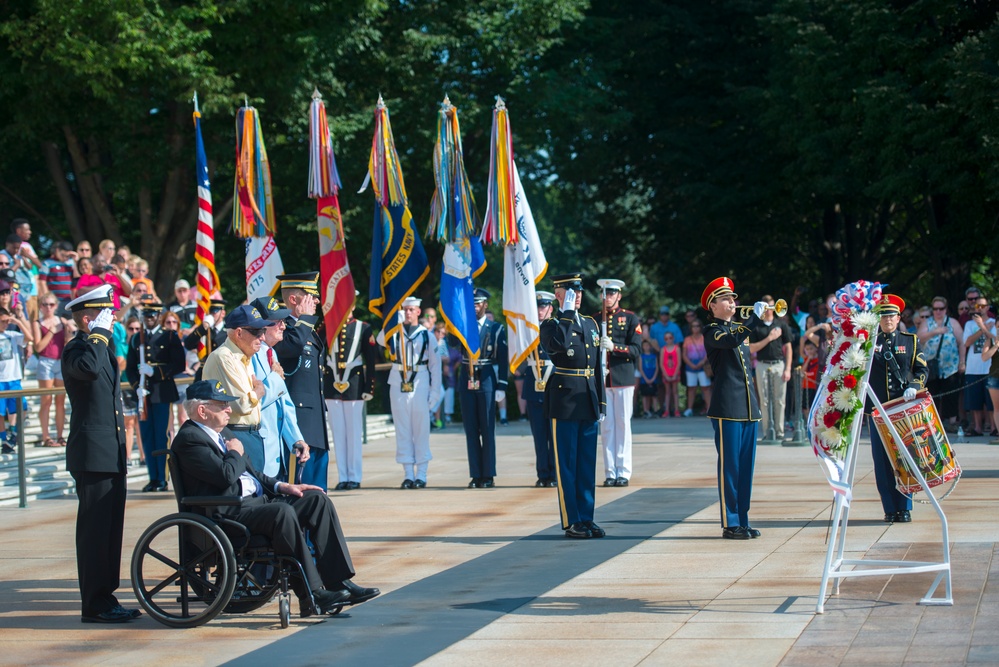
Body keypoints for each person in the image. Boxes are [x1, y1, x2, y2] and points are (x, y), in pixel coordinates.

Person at [171, 379, 379, 617]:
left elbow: (253, 473)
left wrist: (284, 486)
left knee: (315, 500)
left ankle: (338, 581)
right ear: (202, 410)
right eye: (223, 405)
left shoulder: (223, 432)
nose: (229, 409)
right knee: (282, 513)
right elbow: (225, 475)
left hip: (253, 506)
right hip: (227, 513)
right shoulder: (190, 439)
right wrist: (234, 453)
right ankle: (311, 593)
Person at [61, 284, 140, 623]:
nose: (112, 318)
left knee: (110, 530)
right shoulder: (77, 349)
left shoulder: (101, 349)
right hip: (91, 453)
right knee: (94, 532)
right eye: (105, 314)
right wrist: (98, 335)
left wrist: (102, 338)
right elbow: (88, 370)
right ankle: (93, 603)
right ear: (88, 318)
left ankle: (107, 597)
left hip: (111, 450)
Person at [540, 273, 605, 539]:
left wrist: (600, 401)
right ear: (558, 294)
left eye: (578, 291)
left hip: (587, 398)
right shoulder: (551, 325)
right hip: (564, 400)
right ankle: (572, 520)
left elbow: (597, 366)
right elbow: (558, 345)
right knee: (567, 463)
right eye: (570, 291)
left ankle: (587, 517)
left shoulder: (590, 323)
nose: (577, 295)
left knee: (586, 464)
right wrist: (566, 313)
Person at [701, 277, 765, 540]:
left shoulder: (738, 328)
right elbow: (729, 341)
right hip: (727, 408)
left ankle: (743, 519)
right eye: (726, 299)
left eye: (733, 298)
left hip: (748, 407)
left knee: (746, 468)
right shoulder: (712, 331)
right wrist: (753, 320)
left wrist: (760, 320)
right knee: (731, 468)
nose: (732, 302)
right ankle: (731, 522)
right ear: (713, 306)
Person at [866, 294, 927, 523]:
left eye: (890, 315)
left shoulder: (909, 340)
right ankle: (889, 507)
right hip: (878, 410)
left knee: (905, 456)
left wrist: (914, 386)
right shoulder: (869, 343)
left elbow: (922, 370)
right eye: (882, 315)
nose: (887, 319)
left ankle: (905, 506)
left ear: (899, 317)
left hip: (902, 410)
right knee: (882, 461)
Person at [271, 273, 331, 489]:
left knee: (317, 493)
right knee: (299, 491)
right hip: (297, 426)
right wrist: (305, 319)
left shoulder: (306, 330)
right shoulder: (279, 328)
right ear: (294, 300)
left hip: (314, 425)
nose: (316, 301)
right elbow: (291, 347)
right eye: (310, 296)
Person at [378, 296, 441, 488]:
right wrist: (391, 322)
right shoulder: (395, 333)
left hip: (420, 382)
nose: (407, 313)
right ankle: (408, 474)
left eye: (411, 310)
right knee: (402, 429)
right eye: (405, 309)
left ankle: (421, 474)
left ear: (418, 312)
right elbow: (381, 340)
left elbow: (435, 366)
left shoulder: (426, 335)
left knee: (421, 430)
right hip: (399, 383)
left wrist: (435, 392)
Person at [201, 305, 271, 474]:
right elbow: (241, 405)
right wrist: (259, 390)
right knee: (246, 493)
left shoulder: (244, 357)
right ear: (239, 333)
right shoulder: (224, 357)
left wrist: (255, 393)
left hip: (250, 433)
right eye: (257, 331)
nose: (262, 337)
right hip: (235, 433)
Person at [125, 300, 185, 491]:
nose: (149, 319)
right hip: (144, 394)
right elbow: (130, 368)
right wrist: (137, 387)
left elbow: (179, 364)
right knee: (146, 436)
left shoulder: (169, 337)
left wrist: (156, 372)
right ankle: (152, 477)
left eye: (152, 316)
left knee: (161, 435)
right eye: (146, 316)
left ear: (159, 316)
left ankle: (162, 479)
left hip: (162, 392)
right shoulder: (136, 339)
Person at [248, 297, 311, 479]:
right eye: (277, 322)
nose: (283, 326)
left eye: (283, 321)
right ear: (261, 326)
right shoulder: (248, 355)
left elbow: (284, 403)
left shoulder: (271, 352)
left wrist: (296, 438)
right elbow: (253, 403)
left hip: (276, 451)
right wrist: (275, 378)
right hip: (258, 450)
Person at [452, 288, 507, 488]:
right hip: (467, 377)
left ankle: (488, 474)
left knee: (487, 428)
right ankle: (475, 474)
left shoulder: (496, 329)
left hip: (486, 378)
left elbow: (502, 358)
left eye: (477, 303)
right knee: (471, 429)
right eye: (471, 304)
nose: (474, 307)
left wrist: (502, 384)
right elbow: (451, 342)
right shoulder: (464, 327)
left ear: (485, 305)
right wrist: (453, 322)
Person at [323, 296, 377, 490]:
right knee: (338, 434)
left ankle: (354, 476)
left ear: (353, 305)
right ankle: (343, 476)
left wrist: (368, 387)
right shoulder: (327, 326)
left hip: (354, 386)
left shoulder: (364, 328)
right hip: (332, 385)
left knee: (354, 434)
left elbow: (371, 361)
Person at [594, 279, 642, 487]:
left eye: (612, 293)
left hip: (622, 378)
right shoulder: (595, 319)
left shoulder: (630, 318)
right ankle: (610, 472)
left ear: (619, 295)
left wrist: (615, 347)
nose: (608, 297)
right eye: (605, 293)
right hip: (603, 380)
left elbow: (636, 350)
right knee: (607, 427)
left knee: (622, 426)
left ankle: (623, 471)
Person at [522, 291, 557, 487]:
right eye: (537, 306)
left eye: (543, 306)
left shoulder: (556, 327)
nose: (539, 310)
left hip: (552, 383)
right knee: (539, 434)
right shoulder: (528, 330)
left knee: (553, 434)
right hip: (533, 384)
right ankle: (542, 474)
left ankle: (553, 473)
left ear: (550, 308)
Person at [748, 295, 793, 441]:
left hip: (778, 364)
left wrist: (788, 369)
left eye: (772, 307)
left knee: (780, 399)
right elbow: (752, 348)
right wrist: (769, 338)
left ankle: (779, 432)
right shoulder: (757, 326)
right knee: (764, 400)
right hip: (762, 364)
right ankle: (768, 431)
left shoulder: (781, 324)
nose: (769, 310)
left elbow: (789, 347)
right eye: (766, 307)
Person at [917, 296, 963, 429]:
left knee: (951, 394)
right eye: (935, 309)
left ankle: (952, 422)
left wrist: (962, 362)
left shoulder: (953, 323)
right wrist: (935, 332)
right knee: (933, 394)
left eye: (941, 309)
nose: (938, 311)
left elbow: (961, 343)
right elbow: (919, 338)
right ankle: (933, 423)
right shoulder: (927, 323)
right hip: (931, 365)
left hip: (950, 366)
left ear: (946, 309)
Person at [33, 294, 71, 447]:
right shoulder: (38, 323)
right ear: (40, 306)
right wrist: (52, 331)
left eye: (50, 304)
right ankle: (46, 436)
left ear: (56, 306)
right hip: (46, 362)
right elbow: (38, 347)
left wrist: (67, 329)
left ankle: (60, 436)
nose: (47, 307)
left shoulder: (62, 321)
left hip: (60, 362)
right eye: (44, 304)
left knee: (60, 402)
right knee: (46, 401)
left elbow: (67, 343)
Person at [962, 295, 995, 437]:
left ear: (987, 307)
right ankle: (977, 427)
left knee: (991, 402)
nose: (980, 308)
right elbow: (967, 342)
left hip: (990, 367)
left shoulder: (995, 322)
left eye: (982, 306)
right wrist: (981, 329)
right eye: (977, 306)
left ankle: (994, 427)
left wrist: (983, 327)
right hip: (973, 368)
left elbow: (995, 340)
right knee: (974, 401)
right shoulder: (970, 324)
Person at [0, 304, 32, 452]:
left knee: (21, 408)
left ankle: (13, 434)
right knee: (0, 412)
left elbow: (29, 338)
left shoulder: (12, 335)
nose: (5, 324)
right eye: (2, 321)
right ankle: (3, 439)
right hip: (1, 380)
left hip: (13, 379)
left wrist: (18, 322)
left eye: (7, 321)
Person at [682, 319, 711, 416]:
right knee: (691, 388)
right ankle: (689, 409)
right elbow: (684, 354)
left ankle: (710, 408)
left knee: (705, 387)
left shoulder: (704, 338)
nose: (695, 328)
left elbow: (708, 352)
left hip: (703, 365)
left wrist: (702, 362)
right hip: (690, 366)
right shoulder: (687, 339)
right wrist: (690, 364)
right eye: (693, 326)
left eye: (697, 326)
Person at [981, 325, 999, 444]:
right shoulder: (991, 341)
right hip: (994, 377)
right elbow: (984, 357)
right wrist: (996, 346)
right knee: (997, 408)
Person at [659, 333, 682, 417]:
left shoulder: (677, 349)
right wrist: (665, 375)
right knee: (667, 392)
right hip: (666, 373)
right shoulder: (663, 349)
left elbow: (679, 362)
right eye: (666, 338)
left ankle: (676, 410)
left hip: (675, 373)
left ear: (673, 338)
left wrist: (675, 374)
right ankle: (666, 410)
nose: (669, 340)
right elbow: (661, 364)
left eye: (670, 338)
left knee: (675, 392)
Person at [638, 339, 659, 418]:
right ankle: (645, 411)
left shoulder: (654, 356)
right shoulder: (641, 356)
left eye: (648, 345)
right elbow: (640, 368)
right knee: (645, 395)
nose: (646, 347)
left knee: (654, 395)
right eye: (645, 345)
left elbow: (657, 367)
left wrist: (653, 378)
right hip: (644, 378)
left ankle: (655, 410)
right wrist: (645, 378)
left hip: (653, 377)